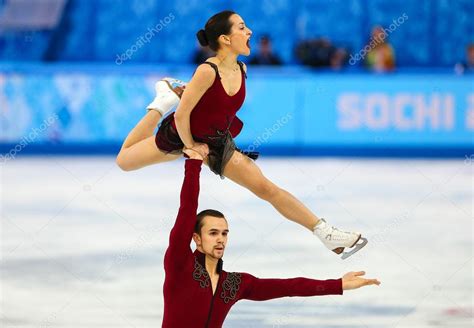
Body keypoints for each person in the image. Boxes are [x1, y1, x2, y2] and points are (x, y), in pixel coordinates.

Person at [116, 10, 367, 259]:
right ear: (225, 39)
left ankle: (325, 232)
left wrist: (209, 143)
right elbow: (182, 116)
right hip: (180, 135)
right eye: (242, 27)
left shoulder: (242, 68)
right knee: (124, 161)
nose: (249, 32)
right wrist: (191, 146)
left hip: (216, 143)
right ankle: (161, 103)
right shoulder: (206, 71)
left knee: (266, 188)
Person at [162, 147, 381, 327]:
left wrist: (338, 284)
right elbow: (187, 209)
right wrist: (193, 165)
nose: (220, 239)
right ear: (197, 239)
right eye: (213, 233)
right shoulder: (180, 264)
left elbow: (289, 287)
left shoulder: (234, 284)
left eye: (224, 233)